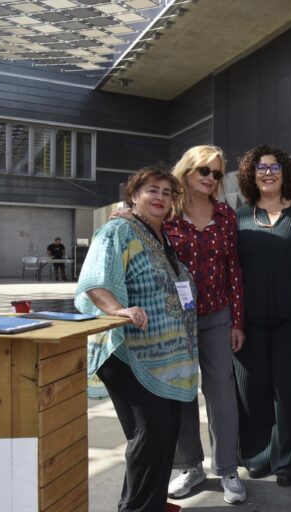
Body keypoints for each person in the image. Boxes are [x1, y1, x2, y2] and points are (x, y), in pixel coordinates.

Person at [75, 165, 198, 512]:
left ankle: (154, 503)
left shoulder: (163, 238)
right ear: (134, 195)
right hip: (128, 351)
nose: (160, 197)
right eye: (151, 190)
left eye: (167, 192)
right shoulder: (118, 230)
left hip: (165, 359)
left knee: (164, 431)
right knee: (151, 432)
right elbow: (95, 280)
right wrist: (118, 309)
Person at [160, 146, 248, 504]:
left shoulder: (225, 214)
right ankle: (190, 466)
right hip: (175, 318)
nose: (211, 179)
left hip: (216, 314)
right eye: (204, 171)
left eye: (216, 173)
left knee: (222, 391)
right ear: (187, 171)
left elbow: (233, 268)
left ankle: (227, 467)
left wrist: (237, 321)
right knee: (181, 391)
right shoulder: (166, 212)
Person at [234, 144, 291, 486]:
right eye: (260, 168)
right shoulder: (238, 215)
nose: (267, 173)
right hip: (249, 321)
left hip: (290, 319)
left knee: (287, 391)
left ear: (286, 174)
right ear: (251, 175)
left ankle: (285, 460)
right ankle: (256, 457)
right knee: (251, 390)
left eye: (274, 168)